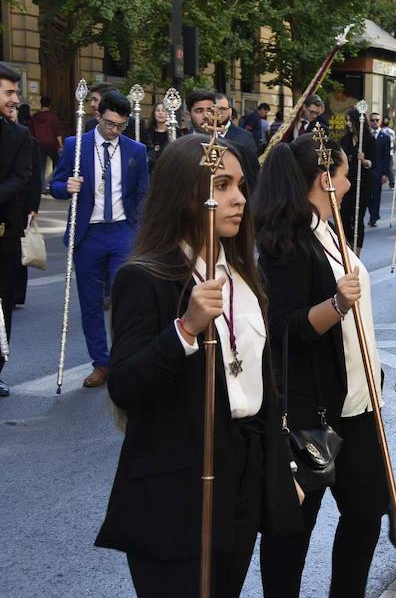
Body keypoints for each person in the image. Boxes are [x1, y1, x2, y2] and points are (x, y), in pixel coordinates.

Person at [94, 134, 304, 597]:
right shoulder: (145, 277)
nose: (239, 199)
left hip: (244, 470)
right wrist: (185, 329)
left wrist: (282, 465)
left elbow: (262, 381)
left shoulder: (245, 275)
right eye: (223, 185)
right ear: (186, 193)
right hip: (177, 484)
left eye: (242, 186)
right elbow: (125, 385)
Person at [255, 135, 388, 598]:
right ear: (324, 180)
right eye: (346, 175)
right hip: (315, 412)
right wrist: (335, 304)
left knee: (367, 512)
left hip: (359, 402)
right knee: (293, 529)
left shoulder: (331, 229)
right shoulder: (289, 242)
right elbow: (284, 329)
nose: (351, 184)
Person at [50, 90, 148, 387]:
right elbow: (53, 184)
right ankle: (101, 362)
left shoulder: (136, 150)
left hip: (122, 232)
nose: (114, 130)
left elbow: (144, 193)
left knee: (125, 299)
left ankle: (123, 358)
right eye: (109, 124)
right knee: (91, 304)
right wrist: (66, 186)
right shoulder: (74, 145)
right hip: (88, 234)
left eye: (120, 125)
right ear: (98, 116)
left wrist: (142, 230)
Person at [0, 65, 34, 396]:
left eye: (16, 93)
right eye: (9, 92)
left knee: (2, 304)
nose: (15, 99)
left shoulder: (19, 136)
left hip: (3, 235)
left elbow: (22, 177)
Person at [8, 104, 41, 308]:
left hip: (22, 203)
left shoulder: (28, 139)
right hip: (8, 202)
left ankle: (16, 294)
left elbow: (35, 176)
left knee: (18, 249)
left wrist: (34, 205)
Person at [340, 108, 376, 253]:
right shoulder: (345, 139)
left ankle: (357, 252)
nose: (348, 123)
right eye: (346, 120)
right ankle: (347, 247)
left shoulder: (369, 139)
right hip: (347, 184)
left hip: (362, 185)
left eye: (350, 120)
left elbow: (374, 163)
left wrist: (365, 161)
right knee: (344, 216)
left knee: (357, 218)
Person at [211, 94, 260, 194]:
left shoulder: (245, 138)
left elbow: (252, 174)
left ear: (230, 111)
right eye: (214, 109)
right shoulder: (204, 135)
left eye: (222, 109)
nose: (218, 113)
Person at [29, 96, 63, 193]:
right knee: (59, 163)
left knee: (41, 167)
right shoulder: (53, 116)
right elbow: (57, 132)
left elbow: (31, 132)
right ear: (50, 104)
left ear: (41, 103)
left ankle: (42, 187)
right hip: (52, 144)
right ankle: (51, 181)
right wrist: (61, 145)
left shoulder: (35, 117)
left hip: (38, 144)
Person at [368, 111, 392, 227]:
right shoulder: (366, 135)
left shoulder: (385, 137)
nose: (375, 122)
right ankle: (372, 212)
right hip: (367, 170)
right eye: (372, 120)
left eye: (377, 120)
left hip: (378, 171)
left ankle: (374, 216)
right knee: (367, 195)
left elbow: (387, 157)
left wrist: (385, 174)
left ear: (380, 121)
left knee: (376, 195)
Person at [144, 103, 176, 174]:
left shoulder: (175, 132)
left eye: (163, 111)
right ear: (154, 113)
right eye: (158, 111)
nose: (160, 113)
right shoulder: (147, 132)